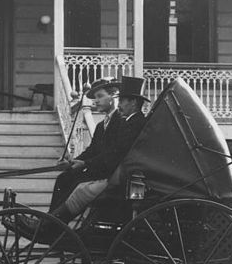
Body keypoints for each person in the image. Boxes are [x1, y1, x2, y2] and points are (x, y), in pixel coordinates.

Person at [13, 75, 149, 239]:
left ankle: (50, 226)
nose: (95, 101)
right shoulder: (104, 124)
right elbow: (93, 150)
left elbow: (114, 153)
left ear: (130, 102)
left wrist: (85, 163)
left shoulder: (125, 122)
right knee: (65, 177)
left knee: (74, 182)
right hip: (105, 168)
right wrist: (73, 162)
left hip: (111, 173)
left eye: (100, 96)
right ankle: (50, 224)